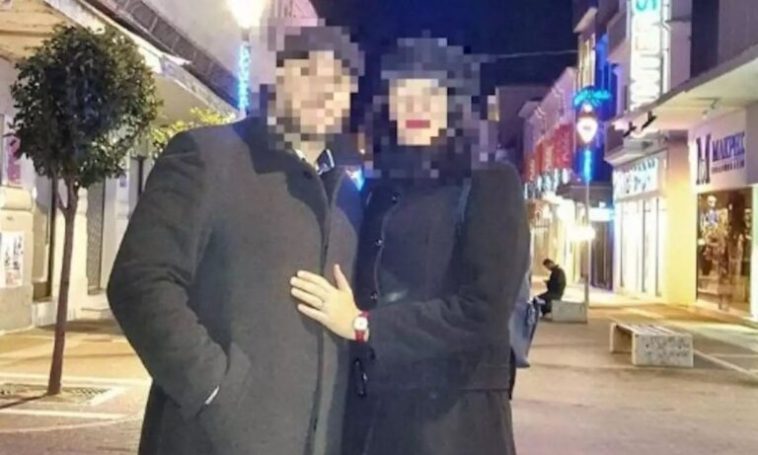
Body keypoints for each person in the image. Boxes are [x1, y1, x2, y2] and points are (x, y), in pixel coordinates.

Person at [107, 26, 363, 455]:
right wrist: (214, 390)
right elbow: (140, 280)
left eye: (338, 81)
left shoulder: (347, 199)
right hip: (209, 439)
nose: (323, 92)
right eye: (308, 73)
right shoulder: (208, 156)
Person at [289, 37, 529, 455]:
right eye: (403, 92)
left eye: (431, 92)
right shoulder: (381, 190)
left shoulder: (490, 182)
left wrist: (364, 325)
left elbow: (484, 309)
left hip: (453, 426)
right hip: (374, 420)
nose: (416, 106)